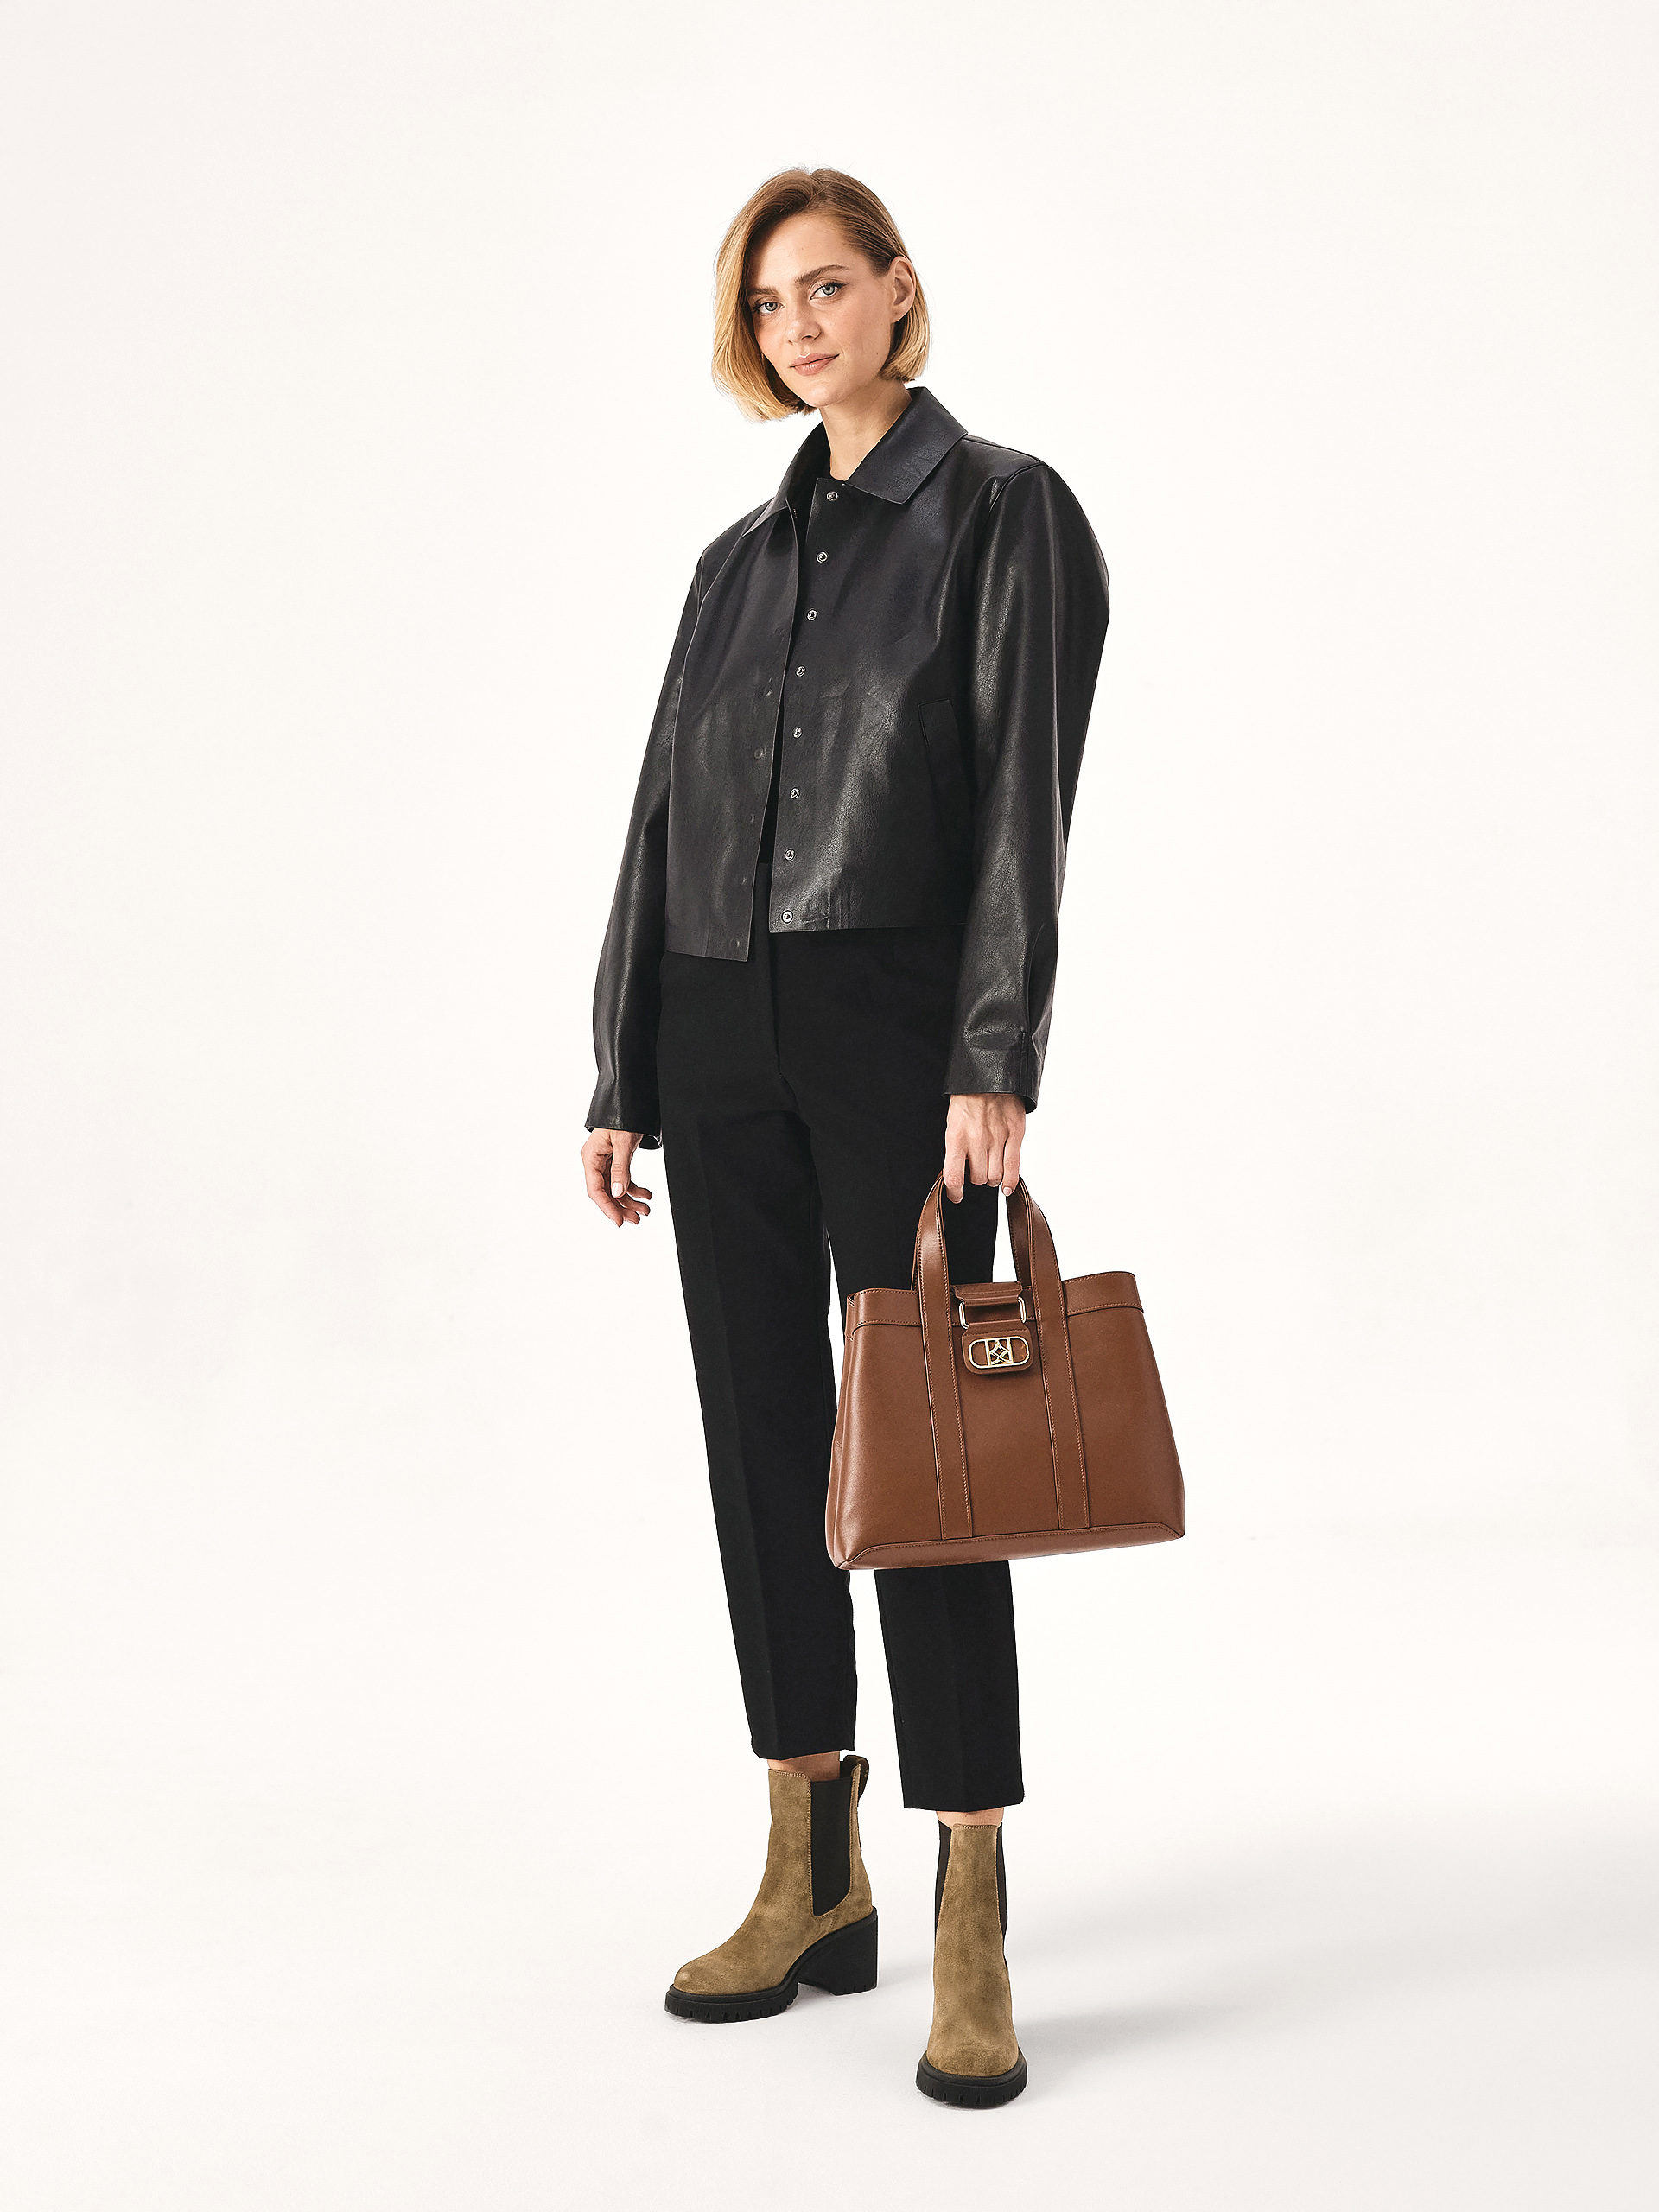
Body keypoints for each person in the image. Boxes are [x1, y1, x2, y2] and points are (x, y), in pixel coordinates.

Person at [581, 167, 1109, 2107]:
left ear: (898, 290)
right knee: (762, 1440)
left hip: (899, 1032)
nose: (798, 327)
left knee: (932, 1460)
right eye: (767, 301)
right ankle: (812, 1859)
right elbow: (662, 810)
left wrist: (996, 1049)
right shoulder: (733, 563)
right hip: (717, 1020)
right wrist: (623, 1065)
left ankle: (971, 1892)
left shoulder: (1004, 513)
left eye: (826, 287)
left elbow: (1023, 801)